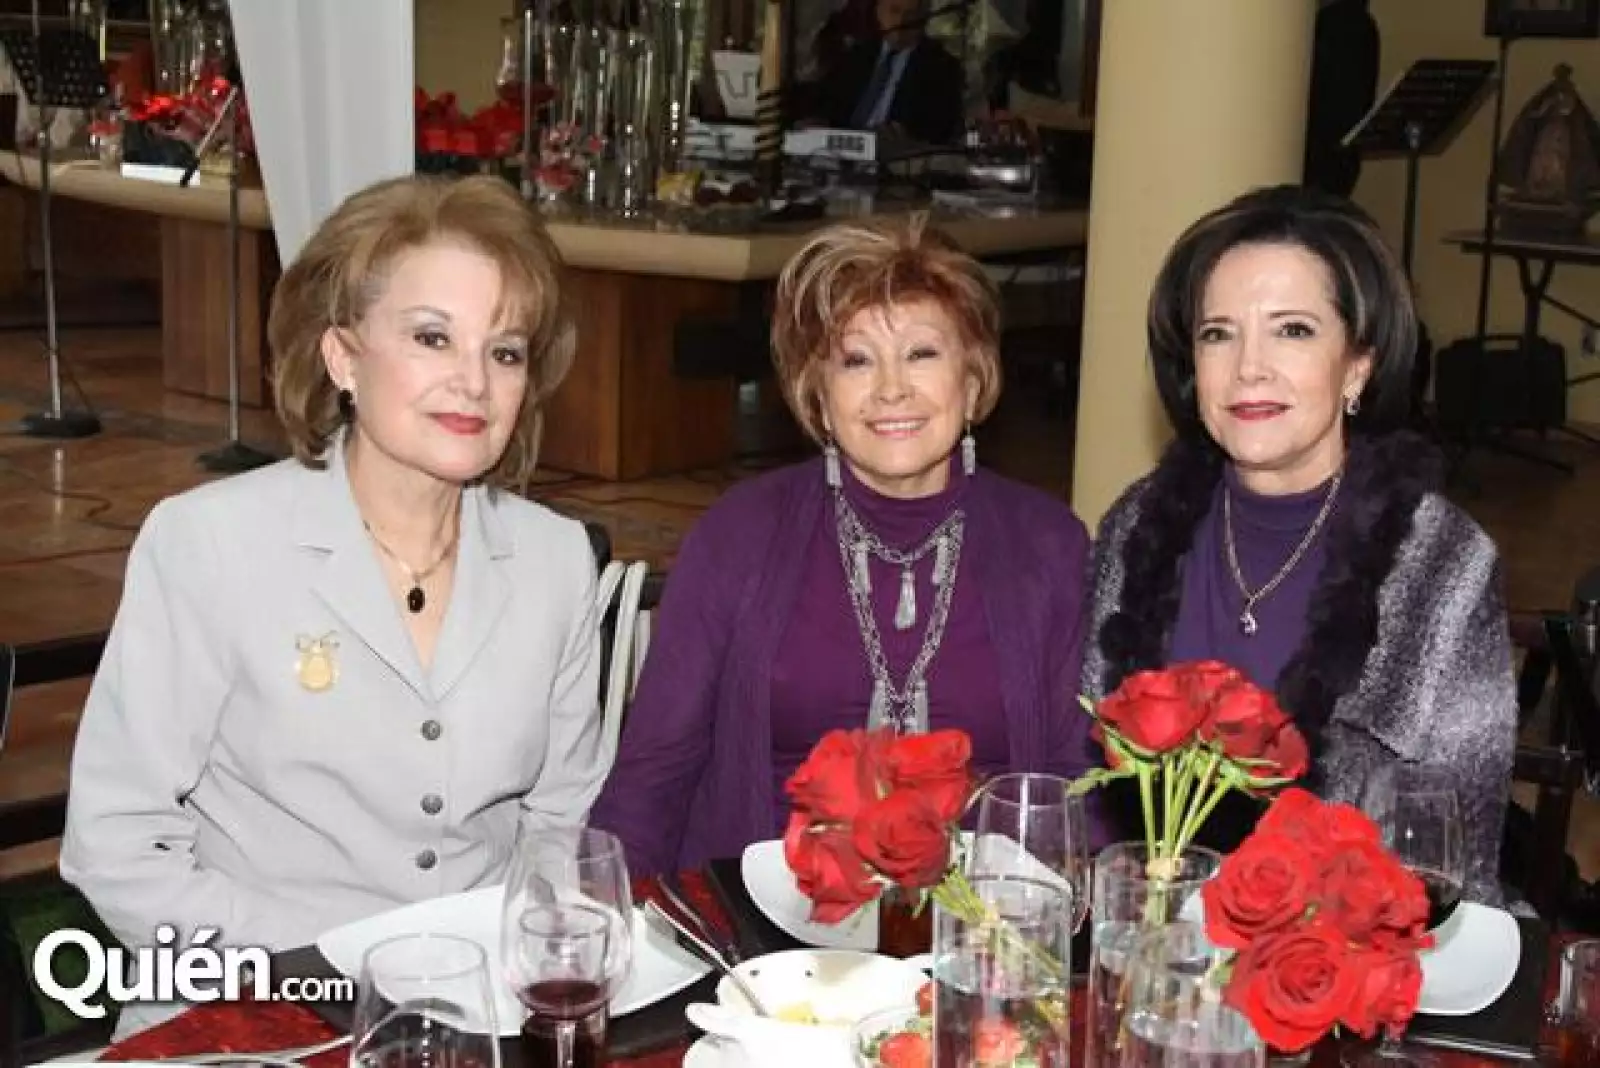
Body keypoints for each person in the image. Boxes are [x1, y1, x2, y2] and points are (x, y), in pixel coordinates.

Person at [60, 174, 610, 1034]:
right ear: (343, 357)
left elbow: (558, 818)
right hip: (247, 1009)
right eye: (433, 337)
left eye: (504, 351)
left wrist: (506, 959)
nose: (472, 381)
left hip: (474, 1019)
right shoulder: (210, 543)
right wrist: (331, 974)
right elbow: (116, 844)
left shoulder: (555, 560)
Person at [590, 217, 1098, 876]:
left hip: (979, 933)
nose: (891, 389)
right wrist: (599, 920)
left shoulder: (1049, 545)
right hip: (766, 935)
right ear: (820, 400)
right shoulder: (739, 535)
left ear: (972, 382)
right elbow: (655, 770)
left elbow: (1076, 788)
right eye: (856, 360)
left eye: (922, 354)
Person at [1080, 185, 1516, 904]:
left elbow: (1453, 853)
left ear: (1358, 366)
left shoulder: (1443, 566)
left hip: (1339, 962)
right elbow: (1091, 786)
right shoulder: (1138, 528)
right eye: (1218, 333)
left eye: (1292, 330)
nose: (1249, 366)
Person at [815, 0, 965, 144]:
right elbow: (829, 107)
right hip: (844, 151)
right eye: (894, 11)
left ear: (924, 18)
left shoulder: (942, 67)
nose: (901, 21)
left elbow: (938, 131)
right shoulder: (856, 55)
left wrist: (904, 137)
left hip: (897, 160)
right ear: (878, 12)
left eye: (910, 14)